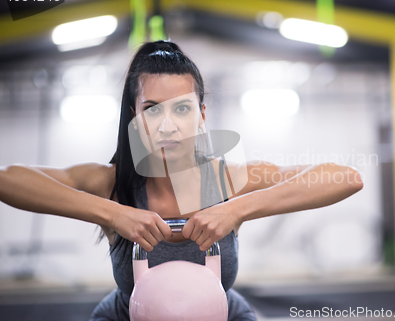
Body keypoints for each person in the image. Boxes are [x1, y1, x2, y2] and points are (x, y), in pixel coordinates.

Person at [0, 40, 364, 321]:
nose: (167, 125)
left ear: (201, 115)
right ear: (134, 117)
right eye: (152, 109)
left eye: (183, 108)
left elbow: (346, 178)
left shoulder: (230, 179)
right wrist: (111, 214)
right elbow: (7, 180)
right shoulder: (110, 184)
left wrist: (237, 210)